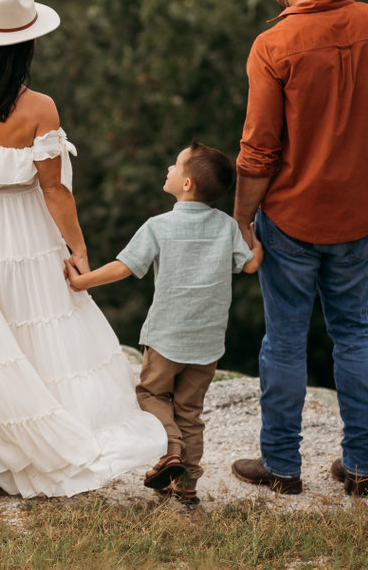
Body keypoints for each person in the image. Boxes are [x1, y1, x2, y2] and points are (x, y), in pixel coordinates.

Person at [0, 0, 167, 498]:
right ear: (27, 47)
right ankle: (39, 444)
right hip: (26, 230)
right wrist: (79, 248)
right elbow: (55, 191)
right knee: (40, 337)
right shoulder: (41, 109)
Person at [230, 0, 368, 497]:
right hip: (357, 217)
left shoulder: (273, 45)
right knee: (355, 332)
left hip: (290, 218)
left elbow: (258, 149)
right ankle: (360, 465)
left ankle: (282, 467)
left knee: (285, 341)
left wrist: (244, 219)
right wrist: (367, 167)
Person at [66, 140, 262, 506]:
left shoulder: (159, 225)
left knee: (151, 395)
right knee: (190, 411)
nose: (168, 170)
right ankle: (186, 484)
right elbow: (250, 264)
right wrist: (256, 235)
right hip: (207, 344)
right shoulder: (226, 227)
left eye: (175, 165)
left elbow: (123, 267)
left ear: (187, 184)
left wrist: (80, 281)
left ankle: (170, 453)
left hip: (165, 337)